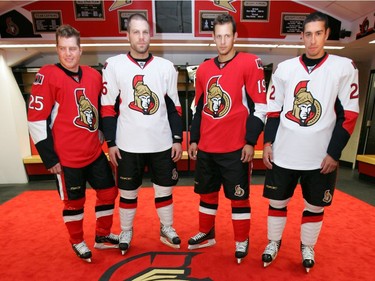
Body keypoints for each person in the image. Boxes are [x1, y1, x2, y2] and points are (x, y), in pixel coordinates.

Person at [261, 11, 359, 272]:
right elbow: (273, 110)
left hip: (320, 157)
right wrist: (268, 143)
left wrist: (334, 153)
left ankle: (307, 245)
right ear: (301, 36)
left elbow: (349, 115)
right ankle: (273, 241)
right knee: (277, 202)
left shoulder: (343, 68)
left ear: (327, 34)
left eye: (318, 33)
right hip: (284, 153)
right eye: (308, 34)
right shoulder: (285, 69)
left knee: (314, 205)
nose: (313, 40)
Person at [27, 24, 119, 263]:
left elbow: (101, 107)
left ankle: (102, 235)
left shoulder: (93, 75)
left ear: (80, 50)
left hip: (93, 152)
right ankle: (77, 240)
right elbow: (35, 120)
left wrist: (101, 131)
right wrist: (50, 158)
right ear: (57, 50)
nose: (68, 54)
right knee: (74, 202)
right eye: (62, 48)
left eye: (72, 49)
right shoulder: (47, 74)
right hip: (66, 159)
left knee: (109, 192)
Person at [100, 13, 183, 254]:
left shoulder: (166, 67)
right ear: (127, 36)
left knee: (164, 190)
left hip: (161, 143)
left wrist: (177, 138)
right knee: (127, 193)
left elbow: (174, 107)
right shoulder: (113, 65)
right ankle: (126, 229)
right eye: (136, 32)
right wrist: (111, 142)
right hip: (128, 144)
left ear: (151, 35)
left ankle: (166, 227)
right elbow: (107, 107)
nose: (141, 37)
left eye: (145, 32)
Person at [187, 14, 267, 264]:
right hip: (207, 148)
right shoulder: (203, 69)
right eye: (218, 36)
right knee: (207, 194)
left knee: (239, 197)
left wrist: (250, 141)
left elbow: (260, 107)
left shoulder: (250, 63)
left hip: (235, 148)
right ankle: (207, 233)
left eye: (227, 35)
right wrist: (194, 138)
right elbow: (198, 108)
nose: (222, 41)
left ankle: (241, 240)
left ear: (235, 36)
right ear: (212, 38)